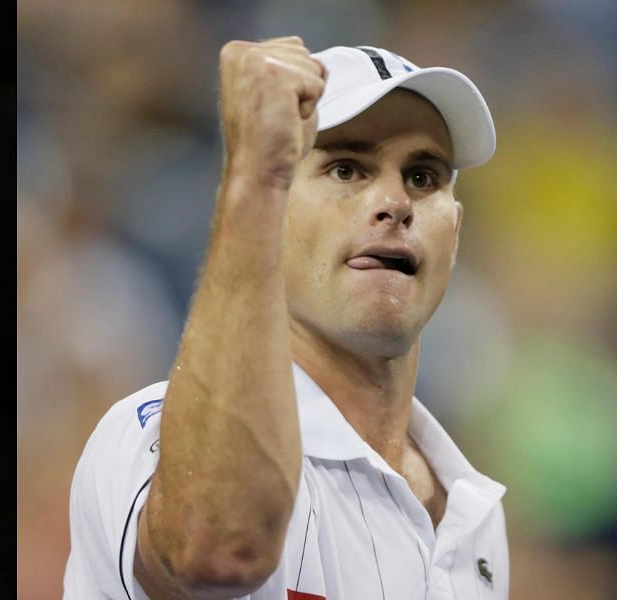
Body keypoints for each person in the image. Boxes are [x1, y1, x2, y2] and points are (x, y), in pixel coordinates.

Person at [64, 38, 508, 599]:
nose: (396, 202)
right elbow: (217, 553)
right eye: (347, 169)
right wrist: (252, 176)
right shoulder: (146, 434)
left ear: (457, 232)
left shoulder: (474, 514)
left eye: (423, 177)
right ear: (268, 209)